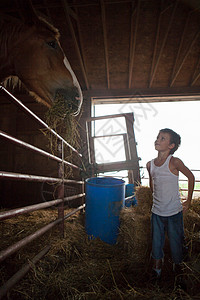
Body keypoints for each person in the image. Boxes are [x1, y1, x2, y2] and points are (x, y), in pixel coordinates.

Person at [146, 128, 195, 282]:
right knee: (156, 242)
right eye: (157, 137)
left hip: (174, 212)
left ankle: (179, 271)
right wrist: (154, 197)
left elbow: (191, 177)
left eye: (162, 138)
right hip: (157, 212)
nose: (157, 140)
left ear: (171, 145)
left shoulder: (174, 161)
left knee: (176, 242)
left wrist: (188, 200)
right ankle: (157, 271)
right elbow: (152, 182)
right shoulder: (150, 164)